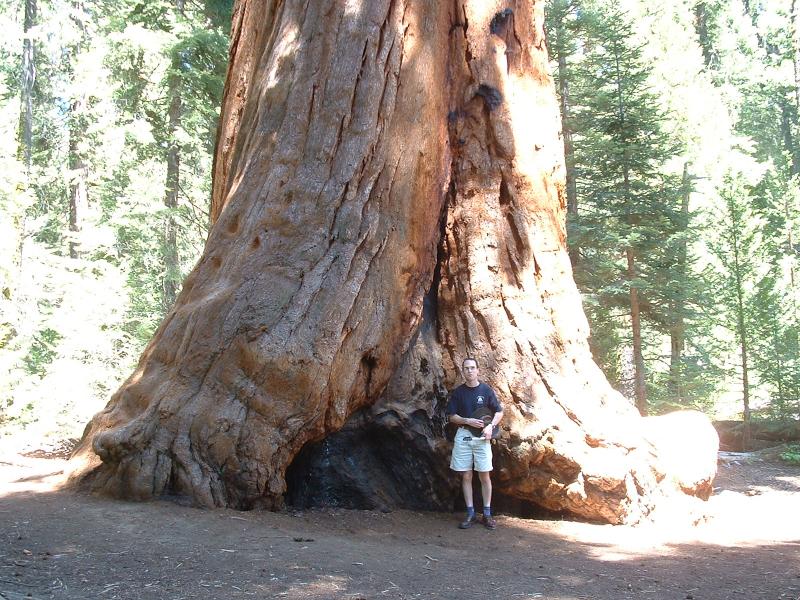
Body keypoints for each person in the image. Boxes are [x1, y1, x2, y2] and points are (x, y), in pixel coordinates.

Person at [446, 357, 503, 530]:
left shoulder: (486, 390)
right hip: (464, 435)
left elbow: (499, 412)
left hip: (482, 436)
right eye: (466, 368)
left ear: (478, 370)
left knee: (484, 475)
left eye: (472, 368)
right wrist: (467, 420)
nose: (469, 371)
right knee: (466, 475)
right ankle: (470, 512)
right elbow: (452, 416)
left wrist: (490, 427)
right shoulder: (459, 392)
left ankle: (486, 513)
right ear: (463, 371)